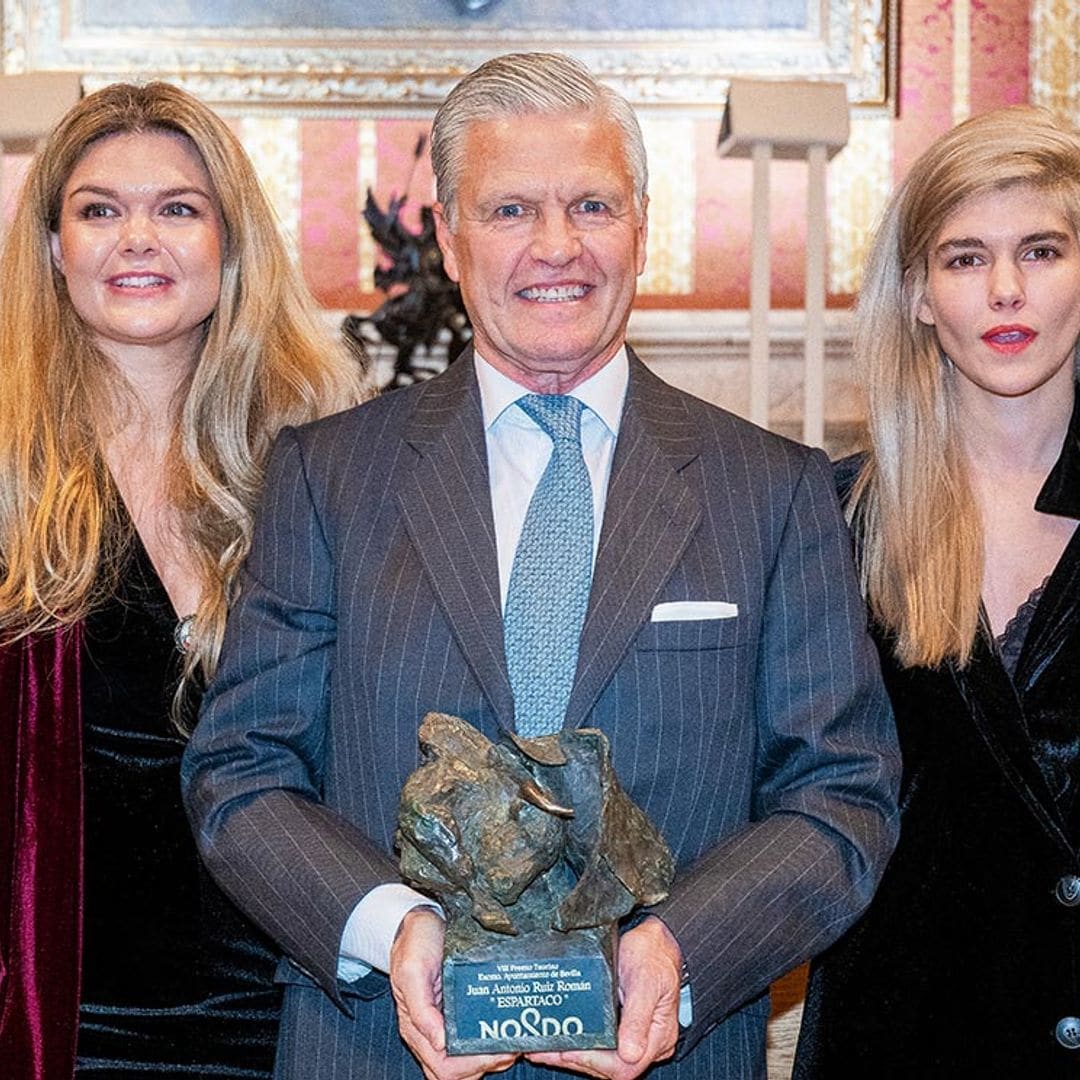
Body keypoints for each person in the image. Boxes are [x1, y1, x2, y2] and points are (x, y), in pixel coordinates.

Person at [182, 52, 899, 1080]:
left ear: (641, 227)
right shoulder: (326, 478)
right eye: (512, 209)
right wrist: (393, 931)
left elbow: (844, 792)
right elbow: (240, 774)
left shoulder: (774, 492)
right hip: (376, 1049)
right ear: (451, 236)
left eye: (593, 205)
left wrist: (680, 951)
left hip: (672, 1055)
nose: (557, 247)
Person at [0, 81, 364, 1079]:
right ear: (52, 248)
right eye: (98, 210)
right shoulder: (7, 482)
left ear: (229, 245)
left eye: (177, 208)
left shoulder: (323, 473)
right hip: (66, 1026)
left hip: (303, 1020)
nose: (136, 239)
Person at [793, 106, 1080, 1077]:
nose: (1005, 289)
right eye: (964, 259)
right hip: (900, 1044)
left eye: (1041, 250)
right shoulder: (832, 523)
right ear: (917, 293)